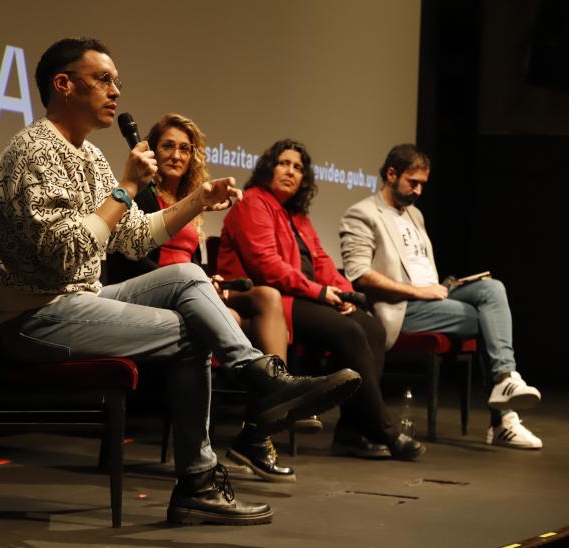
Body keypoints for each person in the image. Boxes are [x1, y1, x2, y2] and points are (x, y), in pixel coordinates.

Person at [0, 38, 363, 526]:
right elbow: (66, 251)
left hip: (77, 301)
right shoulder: (33, 151)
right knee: (191, 335)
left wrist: (197, 201)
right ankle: (201, 478)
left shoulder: (91, 157)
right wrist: (128, 189)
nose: (115, 91)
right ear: (63, 84)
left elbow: (138, 238)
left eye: (116, 81)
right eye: (103, 79)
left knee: (185, 274)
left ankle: (255, 377)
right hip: (34, 316)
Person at [107, 113, 302, 483]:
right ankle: (261, 419)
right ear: (150, 149)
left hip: (188, 287)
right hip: (148, 290)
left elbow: (189, 261)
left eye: (185, 148)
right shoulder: (140, 193)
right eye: (168, 146)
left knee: (267, 297)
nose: (177, 155)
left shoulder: (188, 201)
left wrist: (206, 278)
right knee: (227, 317)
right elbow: (136, 256)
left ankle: (272, 394)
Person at [218, 139, 425, 460]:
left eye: (298, 168)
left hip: (300, 296)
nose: (291, 171)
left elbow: (323, 263)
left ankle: (351, 433)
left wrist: (344, 293)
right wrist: (319, 292)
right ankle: (384, 429)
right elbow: (266, 266)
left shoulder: (297, 216)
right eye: (284, 163)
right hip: (266, 299)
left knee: (371, 327)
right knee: (349, 332)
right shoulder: (253, 202)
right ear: (269, 168)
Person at [339, 143, 543, 449]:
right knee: (485, 319)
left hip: (434, 295)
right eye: (413, 182)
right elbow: (360, 275)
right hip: (403, 306)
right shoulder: (362, 213)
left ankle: (504, 380)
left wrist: (441, 286)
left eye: (423, 184)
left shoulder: (415, 216)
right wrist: (418, 291)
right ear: (391, 174)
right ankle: (503, 420)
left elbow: (419, 267)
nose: (419, 191)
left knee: (492, 288)